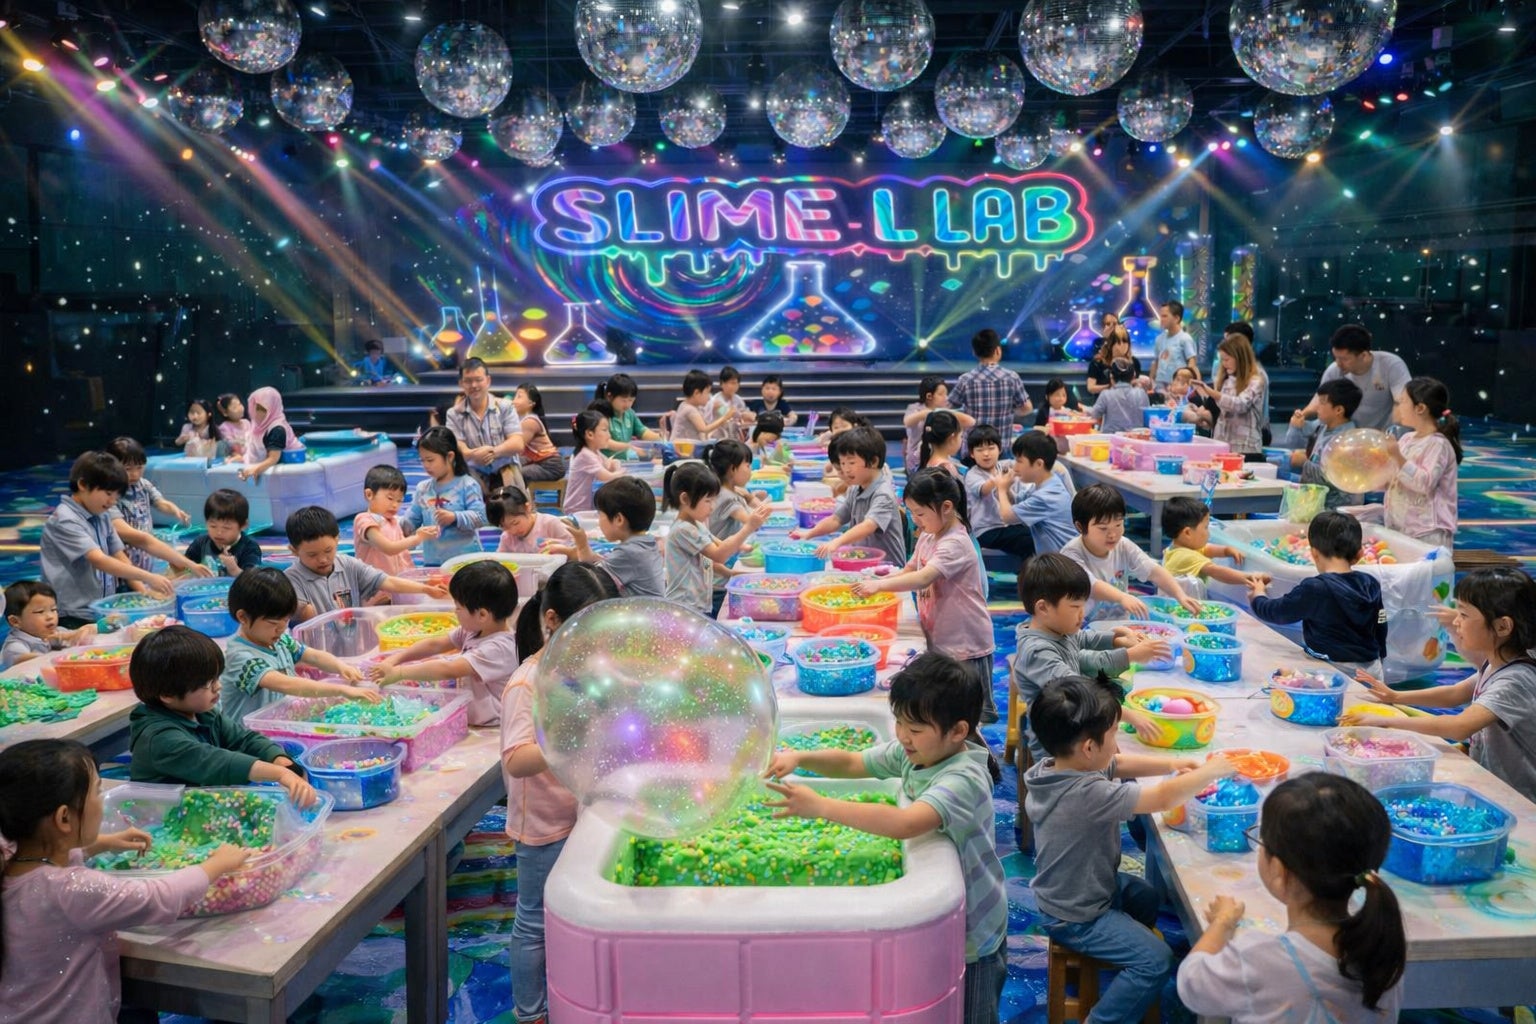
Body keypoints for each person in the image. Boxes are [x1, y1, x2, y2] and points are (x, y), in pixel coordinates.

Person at [764, 653, 1006, 1024]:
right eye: (899, 722)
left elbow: (906, 823)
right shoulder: (917, 753)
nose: (903, 735)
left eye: (916, 728)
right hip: (957, 924)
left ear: (958, 731)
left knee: (972, 1013)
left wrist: (822, 806)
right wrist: (800, 757)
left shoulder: (963, 779)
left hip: (977, 932)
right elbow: (854, 762)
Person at [1027, 673, 1237, 1024]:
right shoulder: (1086, 794)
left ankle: (1121, 953)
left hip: (1078, 890)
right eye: (1113, 735)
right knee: (1157, 960)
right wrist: (1210, 771)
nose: (1116, 744)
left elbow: (1118, 764)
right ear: (1088, 748)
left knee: (1146, 896)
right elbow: (1163, 798)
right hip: (1077, 916)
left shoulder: (1054, 768)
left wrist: (1173, 764)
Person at [0, 738, 251, 1024]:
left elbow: (51, 857)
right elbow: (158, 897)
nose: (103, 800)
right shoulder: (71, 890)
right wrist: (215, 865)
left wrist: (103, 843)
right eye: (97, 791)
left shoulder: (11, 861)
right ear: (64, 818)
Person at [1178, 774, 1406, 1024]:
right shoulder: (1383, 950)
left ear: (1279, 871)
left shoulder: (1259, 958)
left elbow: (1191, 984)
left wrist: (1221, 922)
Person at [502, 562, 621, 1024]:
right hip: (543, 823)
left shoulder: (586, 667)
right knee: (534, 921)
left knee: (573, 910)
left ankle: (572, 987)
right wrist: (569, 741)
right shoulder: (527, 683)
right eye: (589, 630)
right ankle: (530, 1012)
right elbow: (516, 760)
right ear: (552, 620)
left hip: (584, 811)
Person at [1344, 567, 1536, 802]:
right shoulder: (1496, 662)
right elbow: (1455, 693)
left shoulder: (1515, 679)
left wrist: (1385, 721)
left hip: (1518, 797)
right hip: (1494, 782)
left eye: (1464, 615)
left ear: (1503, 626)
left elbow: (1459, 726)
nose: (1456, 621)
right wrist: (1395, 696)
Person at [853, 470, 999, 724]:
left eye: (920, 513)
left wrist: (878, 587)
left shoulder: (955, 543)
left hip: (966, 643)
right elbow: (910, 569)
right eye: (911, 512)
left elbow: (923, 578)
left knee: (969, 715)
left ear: (946, 507)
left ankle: (976, 748)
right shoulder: (930, 535)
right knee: (948, 711)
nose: (914, 520)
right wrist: (877, 582)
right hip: (943, 637)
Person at [125, 626, 318, 804]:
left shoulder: (203, 713)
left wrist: (278, 758)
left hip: (202, 805)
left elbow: (243, 739)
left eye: (216, 678)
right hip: (160, 817)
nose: (218, 687)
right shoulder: (159, 739)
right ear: (168, 694)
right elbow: (216, 762)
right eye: (207, 684)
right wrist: (279, 774)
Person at [1011, 554, 1168, 761]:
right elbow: (1078, 693)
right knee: (1119, 756)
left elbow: (1083, 638)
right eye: (1075, 607)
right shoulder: (1038, 652)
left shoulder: (1056, 628)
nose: (1082, 614)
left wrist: (1117, 639)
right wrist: (1128, 715)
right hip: (1059, 749)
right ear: (1043, 608)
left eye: (1083, 606)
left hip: (1077, 723)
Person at [219, 567, 376, 723]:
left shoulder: (280, 640)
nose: (281, 629)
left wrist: (341, 667)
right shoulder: (239, 657)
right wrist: (341, 690)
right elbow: (286, 684)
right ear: (243, 617)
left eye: (286, 620)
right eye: (273, 623)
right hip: (247, 733)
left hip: (277, 723)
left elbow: (313, 656)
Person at [371, 561, 520, 726]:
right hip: (472, 713)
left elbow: (448, 669)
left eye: (458, 608)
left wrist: (400, 673)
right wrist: (395, 659)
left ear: (482, 615)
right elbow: (435, 644)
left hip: (492, 723)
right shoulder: (475, 629)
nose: (455, 612)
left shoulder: (500, 648)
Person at [40, 452, 174, 627]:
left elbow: (119, 555)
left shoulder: (101, 514)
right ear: (82, 484)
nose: (112, 501)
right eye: (108, 493)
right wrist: (148, 577)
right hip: (73, 614)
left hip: (101, 608)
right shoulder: (65, 519)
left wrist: (144, 592)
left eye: (117, 496)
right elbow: (99, 560)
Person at [1248, 511, 1387, 679]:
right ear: (1359, 555)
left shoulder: (1315, 588)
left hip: (1331, 671)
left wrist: (1258, 596)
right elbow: (1381, 624)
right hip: (1371, 670)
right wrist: (1380, 657)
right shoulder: (1370, 583)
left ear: (1314, 553)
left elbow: (1277, 612)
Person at [283, 506, 448, 622]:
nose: (323, 559)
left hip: (352, 644)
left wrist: (425, 589)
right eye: (312, 555)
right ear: (294, 551)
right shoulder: (291, 580)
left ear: (337, 540)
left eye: (328, 550)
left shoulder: (347, 565)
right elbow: (303, 617)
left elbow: (387, 581)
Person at [1061, 484, 1202, 619]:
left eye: (1118, 525)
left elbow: (1154, 571)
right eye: (1103, 528)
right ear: (1080, 527)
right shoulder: (1071, 554)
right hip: (1084, 626)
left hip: (1120, 621)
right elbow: (1091, 586)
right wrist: (1122, 597)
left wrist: (1180, 595)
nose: (1112, 535)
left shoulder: (1123, 545)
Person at [662, 461, 771, 615]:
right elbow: (719, 554)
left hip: (696, 607)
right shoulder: (684, 530)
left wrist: (732, 573)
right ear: (685, 499)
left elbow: (712, 556)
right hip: (684, 610)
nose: (712, 506)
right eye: (708, 500)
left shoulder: (696, 524)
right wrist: (749, 527)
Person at [791, 426, 908, 567]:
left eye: (851, 463)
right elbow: (836, 519)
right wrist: (809, 533)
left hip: (888, 569)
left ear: (873, 461)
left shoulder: (883, 494)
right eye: (843, 463)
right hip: (863, 564)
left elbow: (868, 526)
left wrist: (837, 541)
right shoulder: (855, 488)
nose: (846, 469)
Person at [1377, 376, 1461, 549]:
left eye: (1402, 402)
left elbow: (1424, 484)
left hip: (1428, 533)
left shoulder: (1438, 444)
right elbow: (1393, 478)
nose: (1398, 407)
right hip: (1401, 528)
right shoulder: (1407, 439)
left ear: (1420, 408)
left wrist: (1397, 456)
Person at [560, 477, 666, 597]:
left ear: (619, 519)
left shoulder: (629, 553)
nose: (598, 521)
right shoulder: (648, 543)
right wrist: (582, 544)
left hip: (642, 609)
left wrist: (578, 547)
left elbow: (590, 581)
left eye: (600, 514)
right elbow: (598, 564)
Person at [1300, 324, 1412, 434]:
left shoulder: (1391, 365)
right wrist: (1302, 415)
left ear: (1363, 355)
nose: (1338, 364)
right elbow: (1320, 399)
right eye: (1336, 358)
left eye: (1344, 359)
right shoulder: (1334, 370)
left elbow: (1403, 401)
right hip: (1347, 435)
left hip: (1383, 434)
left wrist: (1390, 434)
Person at [103, 436, 191, 572]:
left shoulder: (143, 485)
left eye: (139, 467)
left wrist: (175, 511)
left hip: (145, 553)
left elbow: (160, 502)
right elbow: (123, 530)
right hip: (123, 555)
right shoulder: (110, 494)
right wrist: (165, 552)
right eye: (128, 469)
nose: (135, 474)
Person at [401, 426, 486, 566]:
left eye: (430, 460)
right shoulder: (423, 489)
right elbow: (412, 520)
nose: (426, 465)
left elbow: (481, 517)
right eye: (422, 460)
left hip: (465, 561)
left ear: (450, 456)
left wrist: (455, 517)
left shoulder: (467, 485)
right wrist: (391, 525)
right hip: (433, 561)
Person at [1161, 497, 1271, 594]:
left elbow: (1208, 549)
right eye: (1205, 527)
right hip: (1179, 605)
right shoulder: (1185, 556)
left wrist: (1227, 550)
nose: (1208, 532)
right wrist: (1250, 577)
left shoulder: (1176, 547)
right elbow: (1217, 572)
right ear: (1187, 533)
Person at [446, 358, 523, 494]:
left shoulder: (505, 407)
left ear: (488, 381)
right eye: (468, 381)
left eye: (478, 380)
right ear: (461, 383)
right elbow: (458, 445)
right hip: (471, 473)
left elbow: (517, 443)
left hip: (505, 469)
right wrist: (472, 454)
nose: (474, 385)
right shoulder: (454, 414)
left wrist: (493, 452)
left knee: (511, 502)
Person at [1284, 379, 1364, 509]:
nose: (1317, 407)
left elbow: (1331, 477)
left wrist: (1304, 463)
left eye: (1322, 403)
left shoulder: (1347, 441)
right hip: (1318, 500)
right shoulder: (1322, 426)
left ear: (1338, 410)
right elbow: (1293, 444)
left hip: (1338, 508)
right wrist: (1295, 426)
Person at [1000, 432, 1078, 555]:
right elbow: (1017, 501)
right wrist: (1007, 489)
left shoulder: (1047, 496)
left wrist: (1001, 489)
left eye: (1019, 461)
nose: (1015, 468)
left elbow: (1007, 517)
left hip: (1064, 562)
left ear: (1039, 464)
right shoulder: (1046, 483)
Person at [353, 464, 436, 577]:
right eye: (390, 498)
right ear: (369, 494)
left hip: (397, 582)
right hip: (375, 585)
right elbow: (389, 548)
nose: (395, 505)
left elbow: (402, 554)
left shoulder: (393, 521)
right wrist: (418, 538)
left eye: (399, 500)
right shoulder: (364, 520)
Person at [1193, 333, 1267, 459]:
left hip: (1246, 449)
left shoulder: (1256, 381)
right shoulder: (1225, 381)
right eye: (1222, 360)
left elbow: (1240, 405)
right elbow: (1222, 411)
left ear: (1240, 358)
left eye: (1227, 360)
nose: (1224, 364)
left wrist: (1213, 394)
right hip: (1222, 445)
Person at [966, 425, 1034, 562]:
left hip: (1007, 526)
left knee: (1038, 532)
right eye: (980, 450)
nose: (986, 454)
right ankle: (1028, 573)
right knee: (1027, 541)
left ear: (1000, 449)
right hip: (986, 530)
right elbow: (984, 489)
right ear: (972, 454)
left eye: (991, 448)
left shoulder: (1004, 466)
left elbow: (1021, 463)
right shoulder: (972, 475)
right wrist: (999, 481)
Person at [950, 328, 1032, 433]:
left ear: (974, 352)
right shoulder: (1012, 378)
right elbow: (1027, 408)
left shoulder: (965, 380)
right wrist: (1009, 413)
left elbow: (947, 408)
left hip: (972, 442)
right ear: (998, 350)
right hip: (1000, 442)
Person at [1, 581, 96, 669]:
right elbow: (25, 661)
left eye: (53, 610)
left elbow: (84, 638)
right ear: (15, 621)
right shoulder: (14, 646)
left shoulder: (58, 632)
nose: (50, 616)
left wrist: (77, 635)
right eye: (40, 611)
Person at [183, 489, 264, 577]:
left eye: (226, 527)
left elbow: (253, 580)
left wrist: (234, 570)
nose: (219, 532)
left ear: (243, 525)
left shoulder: (250, 548)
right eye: (213, 526)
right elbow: (183, 568)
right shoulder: (200, 543)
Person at [906, 375, 975, 474]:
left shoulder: (943, 413)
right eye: (941, 394)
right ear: (929, 396)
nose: (946, 398)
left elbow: (970, 421)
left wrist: (940, 411)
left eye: (946, 394)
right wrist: (929, 412)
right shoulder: (915, 409)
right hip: (917, 460)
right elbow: (908, 422)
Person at [564, 410, 626, 515]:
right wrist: (622, 473)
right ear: (590, 434)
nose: (609, 436)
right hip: (577, 510)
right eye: (605, 430)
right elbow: (607, 477)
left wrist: (615, 466)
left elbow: (609, 464)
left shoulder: (595, 452)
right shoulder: (585, 455)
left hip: (586, 507)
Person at [237, 386, 303, 482]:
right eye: (255, 407)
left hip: (289, 468)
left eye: (261, 408)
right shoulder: (258, 426)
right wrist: (241, 458)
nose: (256, 412)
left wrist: (255, 469)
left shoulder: (277, 429)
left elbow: (273, 458)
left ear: (272, 408)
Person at [594, 373, 661, 459]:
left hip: (625, 462)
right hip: (605, 462)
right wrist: (627, 447)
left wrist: (661, 439)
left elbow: (642, 432)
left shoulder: (630, 413)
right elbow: (603, 441)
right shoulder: (600, 414)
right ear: (609, 396)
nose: (627, 404)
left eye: (631, 400)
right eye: (623, 400)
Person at [489, 485, 569, 555]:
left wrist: (562, 548)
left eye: (515, 523)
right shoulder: (507, 538)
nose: (513, 531)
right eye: (505, 527)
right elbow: (500, 560)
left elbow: (574, 549)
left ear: (527, 508)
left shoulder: (550, 524)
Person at [511, 384, 567, 483]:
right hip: (539, 463)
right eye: (515, 396)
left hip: (550, 467)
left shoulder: (530, 422)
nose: (514, 401)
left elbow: (516, 448)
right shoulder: (522, 420)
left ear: (531, 403)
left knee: (513, 475)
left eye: (519, 397)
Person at [670, 369, 735, 444]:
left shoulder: (694, 406)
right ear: (696, 393)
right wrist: (725, 418)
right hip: (681, 448)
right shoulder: (689, 409)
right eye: (707, 392)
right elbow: (704, 429)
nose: (709, 397)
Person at [1088, 359, 1149, 434]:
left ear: (1111, 376)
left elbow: (1094, 415)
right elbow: (1147, 419)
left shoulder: (1106, 394)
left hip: (1111, 438)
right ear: (1133, 376)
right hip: (1136, 437)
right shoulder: (1141, 393)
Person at [1150, 299, 1198, 387]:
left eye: (1165, 316)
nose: (1161, 319)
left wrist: (1188, 384)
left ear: (1176, 318)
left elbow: (1192, 363)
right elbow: (1156, 362)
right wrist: (1151, 382)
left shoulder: (1185, 339)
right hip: (1159, 385)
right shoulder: (1159, 339)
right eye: (1161, 316)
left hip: (1177, 387)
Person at [1086, 326, 1142, 396]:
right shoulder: (1097, 363)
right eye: (1118, 342)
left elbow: (1136, 385)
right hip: (1104, 399)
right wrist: (1110, 387)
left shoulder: (1134, 362)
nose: (1122, 345)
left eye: (1125, 341)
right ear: (1110, 344)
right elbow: (1091, 388)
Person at [706, 365, 754, 442]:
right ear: (722, 384)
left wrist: (748, 416)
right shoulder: (716, 401)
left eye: (736, 383)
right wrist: (741, 415)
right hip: (717, 438)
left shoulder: (738, 399)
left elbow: (743, 415)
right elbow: (728, 414)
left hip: (735, 438)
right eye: (731, 383)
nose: (733, 386)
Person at [918, 409, 966, 477]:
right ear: (951, 438)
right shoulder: (947, 468)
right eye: (961, 436)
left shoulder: (928, 460)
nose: (961, 440)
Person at [215, 392, 251, 461]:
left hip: (249, 455)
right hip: (235, 457)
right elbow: (230, 446)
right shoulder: (224, 427)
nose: (240, 408)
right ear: (225, 413)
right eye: (235, 407)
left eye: (240, 404)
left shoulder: (247, 422)